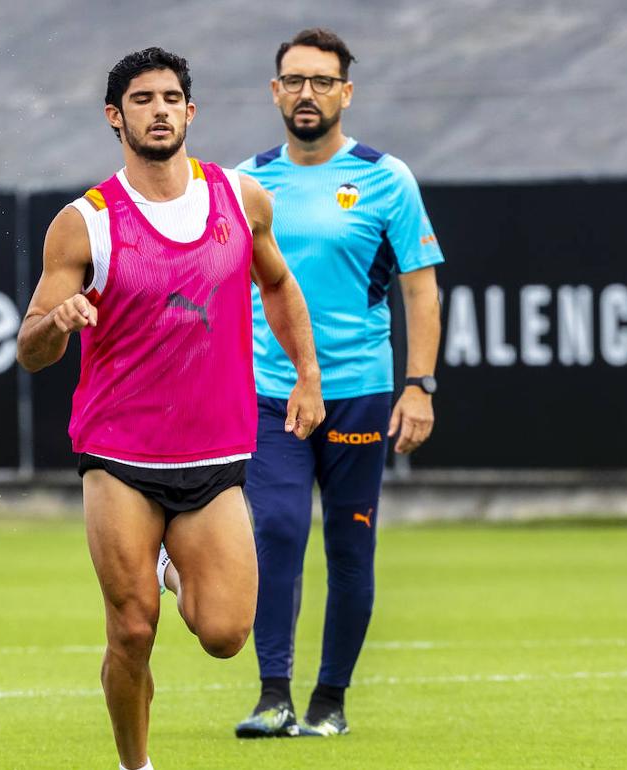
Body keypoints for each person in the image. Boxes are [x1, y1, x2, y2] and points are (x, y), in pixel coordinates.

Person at [17, 47, 323, 770]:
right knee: (132, 630)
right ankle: (136, 765)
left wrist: (307, 374)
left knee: (223, 633)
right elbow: (30, 345)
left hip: (216, 454)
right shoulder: (84, 223)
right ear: (114, 117)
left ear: (191, 111)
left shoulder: (240, 199)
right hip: (119, 456)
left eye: (171, 98)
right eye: (143, 99)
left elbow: (277, 286)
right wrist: (54, 325)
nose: (159, 110)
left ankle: (169, 563)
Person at [234, 27, 445, 739]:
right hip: (270, 391)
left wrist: (419, 385)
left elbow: (421, 290)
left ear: (345, 93)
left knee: (351, 546)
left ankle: (330, 700)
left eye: (322, 81)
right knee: (278, 527)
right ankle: (272, 695)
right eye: (294, 80)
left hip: (359, 389)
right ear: (275, 91)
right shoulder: (244, 184)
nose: (307, 93)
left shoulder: (389, 179)